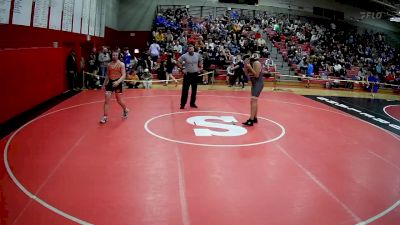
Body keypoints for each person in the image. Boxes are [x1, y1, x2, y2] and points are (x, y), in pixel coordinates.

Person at [100, 51, 129, 124]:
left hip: (117, 83)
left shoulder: (121, 64)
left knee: (119, 100)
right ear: (111, 56)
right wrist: (104, 84)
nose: (114, 56)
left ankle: (125, 110)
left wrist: (118, 82)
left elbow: (123, 75)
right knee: (106, 100)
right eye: (113, 55)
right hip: (110, 83)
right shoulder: (109, 64)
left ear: (118, 56)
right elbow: (107, 75)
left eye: (116, 55)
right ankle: (105, 117)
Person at [176, 45, 203, 109]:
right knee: (185, 90)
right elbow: (178, 62)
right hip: (187, 75)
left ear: (194, 49)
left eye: (192, 49)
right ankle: (182, 104)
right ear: (188, 50)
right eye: (190, 49)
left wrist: (200, 66)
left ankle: (192, 103)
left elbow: (201, 60)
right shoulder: (184, 55)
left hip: (195, 74)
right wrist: (182, 69)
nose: (191, 50)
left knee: (194, 90)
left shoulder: (197, 55)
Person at [242, 54, 264, 126]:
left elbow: (257, 75)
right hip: (254, 84)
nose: (246, 60)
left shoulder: (256, 63)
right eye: (244, 60)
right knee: (253, 101)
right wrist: (246, 66)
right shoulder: (250, 64)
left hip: (258, 83)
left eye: (246, 59)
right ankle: (254, 117)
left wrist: (249, 67)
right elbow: (246, 74)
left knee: (253, 100)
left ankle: (251, 120)